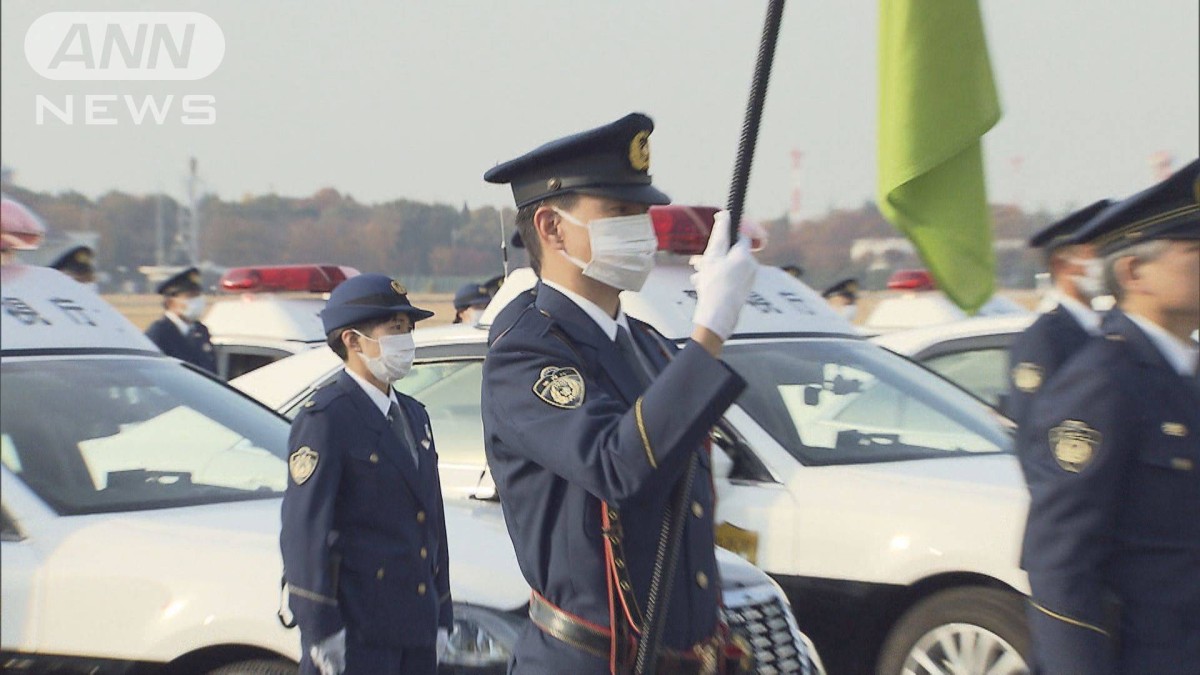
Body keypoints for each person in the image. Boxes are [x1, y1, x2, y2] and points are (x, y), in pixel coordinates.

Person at [480, 112, 760, 674]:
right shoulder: (525, 353)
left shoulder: (650, 348)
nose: (641, 230)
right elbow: (618, 465)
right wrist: (708, 335)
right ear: (552, 229)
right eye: (618, 214)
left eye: (642, 213)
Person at [1020, 159, 1199, 674]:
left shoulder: (1183, 371)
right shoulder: (1103, 382)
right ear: (1133, 272)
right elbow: (1060, 560)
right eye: (1195, 252)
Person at [280, 273, 453, 675]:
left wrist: (442, 612)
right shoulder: (327, 418)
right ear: (352, 340)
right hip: (359, 632)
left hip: (415, 626)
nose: (406, 339)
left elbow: (433, 523)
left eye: (408, 329)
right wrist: (320, 628)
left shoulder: (414, 415)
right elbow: (305, 533)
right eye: (394, 329)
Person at [1004, 200, 1111, 427]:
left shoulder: (1109, 326)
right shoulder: (1042, 338)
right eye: (1094, 254)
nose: (1104, 262)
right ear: (1061, 264)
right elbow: (1032, 421)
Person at [143, 267, 217, 374]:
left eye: (198, 296)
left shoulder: (201, 331)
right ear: (170, 302)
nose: (197, 302)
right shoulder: (159, 332)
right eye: (190, 297)